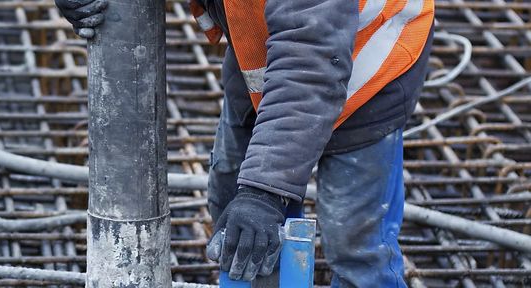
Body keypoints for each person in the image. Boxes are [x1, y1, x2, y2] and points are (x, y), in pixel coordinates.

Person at [55, 0, 434, 286]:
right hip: (267, 42)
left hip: (371, 62)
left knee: (355, 244)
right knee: (237, 218)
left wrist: (264, 192)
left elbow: (309, 61)